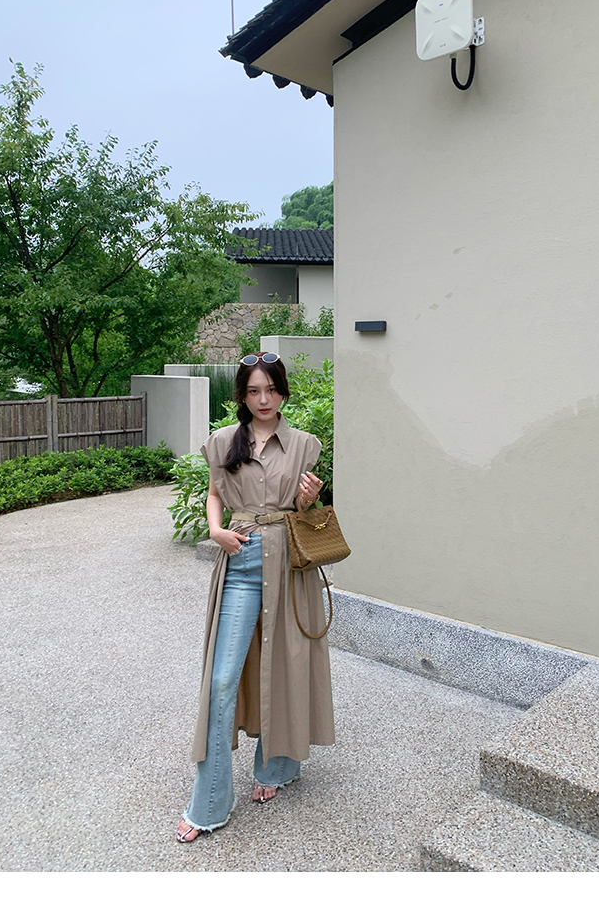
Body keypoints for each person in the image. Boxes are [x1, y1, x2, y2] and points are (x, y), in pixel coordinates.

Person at [176, 352, 335, 842]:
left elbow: (302, 510)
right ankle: (210, 802)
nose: (263, 400)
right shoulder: (224, 441)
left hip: (288, 565)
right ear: (242, 396)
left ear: (282, 391)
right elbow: (214, 494)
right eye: (253, 391)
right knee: (222, 679)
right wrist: (214, 530)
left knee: (284, 663)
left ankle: (276, 767)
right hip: (241, 562)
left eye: (270, 389)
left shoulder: (305, 445)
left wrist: (307, 499)